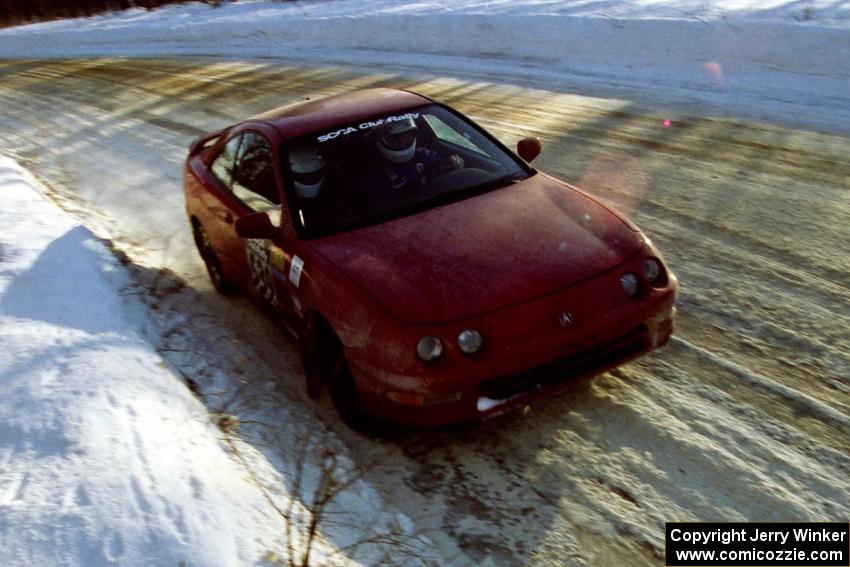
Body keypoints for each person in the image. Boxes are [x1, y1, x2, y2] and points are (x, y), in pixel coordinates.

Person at [370, 117, 463, 191]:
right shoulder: (373, 174)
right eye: (393, 139)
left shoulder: (424, 154)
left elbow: (442, 165)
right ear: (380, 141)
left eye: (406, 135)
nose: (402, 142)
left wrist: (454, 163)